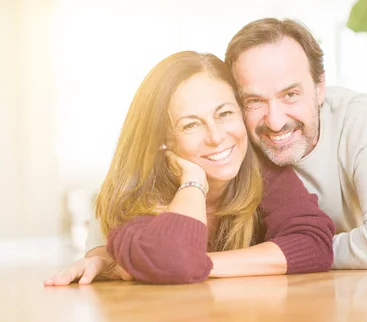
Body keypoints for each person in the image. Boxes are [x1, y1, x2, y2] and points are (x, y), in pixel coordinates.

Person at [44, 51, 335, 285]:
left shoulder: (260, 168)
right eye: (191, 124)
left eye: (225, 114)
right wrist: (193, 182)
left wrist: (201, 263)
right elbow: (177, 261)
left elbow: (314, 245)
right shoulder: (136, 195)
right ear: (162, 139)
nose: (217, 136)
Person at [223, 18, 367, 269]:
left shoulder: (357, 115)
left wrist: (301, 251)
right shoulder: (234, 140)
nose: (275, 122)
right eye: (254, 101)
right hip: (358, 245)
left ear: (320, 87)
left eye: (290, 95)